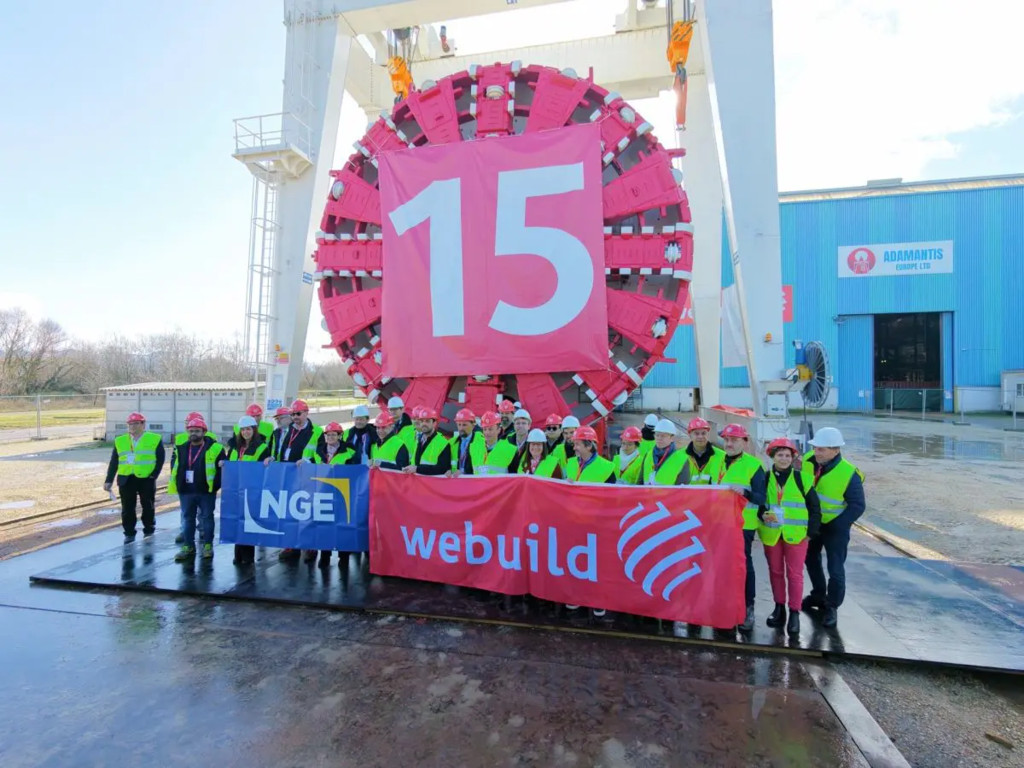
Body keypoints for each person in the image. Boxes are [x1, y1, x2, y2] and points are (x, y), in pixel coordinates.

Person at [800, 427, 865, 629]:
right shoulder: (808, 461)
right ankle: (818, 595)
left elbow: (858, 506)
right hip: (813, 524)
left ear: (836, 450)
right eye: (815, 448)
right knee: (810, 560)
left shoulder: (849, 474)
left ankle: (832, 606)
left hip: (835, 527)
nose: (816, 452)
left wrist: (838, 525)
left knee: (835, 568)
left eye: (821, 449)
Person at [759, 438, 821, 637]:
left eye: (787, 455)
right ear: (773, 457)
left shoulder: (803, 479)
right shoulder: (764, 478)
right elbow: (758, 503)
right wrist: (762, 515)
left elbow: (814, 508)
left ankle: (794, 612)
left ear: (793, 458)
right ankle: (779, 608)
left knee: (795, 575)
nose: (784, 459)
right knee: (775, 572)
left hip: (797, 536)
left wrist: (810, 533)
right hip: (772, 533)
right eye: (780, 455)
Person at [717, 423, 767, 633]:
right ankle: (725, 605)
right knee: (722, 565)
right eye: (727, 440)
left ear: (745, 442)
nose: (729, 444)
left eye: (734, 440)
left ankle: (748, 608)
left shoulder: (754, 466)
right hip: (719, 523)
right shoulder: (717, 461)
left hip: (743, 525)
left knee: (744, 566)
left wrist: (745, 493)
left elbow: (761, 498)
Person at [271, 399, 322, 562]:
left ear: (306, 413)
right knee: (289, 512)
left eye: (298, 414)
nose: (295, 417)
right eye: (293, 414)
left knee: (307, 511)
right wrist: (275, 459)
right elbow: (282, 450)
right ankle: (291, 545)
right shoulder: (289, 430)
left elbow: (321, 455)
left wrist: (308, 461)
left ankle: (310, 545)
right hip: (288, 477)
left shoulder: (316, 432)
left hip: (307, 477)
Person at [104, 412, 165, 543]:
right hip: (126, 478)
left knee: (148, 506)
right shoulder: (120, 440)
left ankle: (149, 529)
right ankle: (129, 532)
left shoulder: (154, 438)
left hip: (146, 478)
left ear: (143, 424)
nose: (133, 426)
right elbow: (114, 461)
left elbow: (160, 459)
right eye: (130, 424)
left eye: (136, 423)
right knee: (127, 508)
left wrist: (153, 475)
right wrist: (108, 480)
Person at [302, 421, 357, 566]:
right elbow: (312, 463)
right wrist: (304, 462)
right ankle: (325, 555)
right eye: (328, 435)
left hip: (342, 493)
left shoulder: (349, 450)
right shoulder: (319, 450)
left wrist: (343, 469)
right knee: (324, 525)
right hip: (323, 493)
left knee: (343, 526)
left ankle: (343, 557)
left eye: (334, 435)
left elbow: (356, 469)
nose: (330, 437)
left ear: (340, 436)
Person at [172, 416, 223, 562]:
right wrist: (179, 485)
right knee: (188, 519)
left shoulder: (215, 448)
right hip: (186, 491)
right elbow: (175, 467)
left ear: (204, 432)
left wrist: (215, 487)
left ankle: (207, 545)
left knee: (207, 518)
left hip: (206, 491)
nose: (193, 433)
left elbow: (221, 469)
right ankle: (188, 546)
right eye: (191, 431)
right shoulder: (181, 448)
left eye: (197, 431)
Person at [221, 415, 269, 565]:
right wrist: (224, 463)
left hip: (251, 490)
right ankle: (238, 555)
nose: (245, 432)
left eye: (248, 429)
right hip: (235, 490)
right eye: (243, 430)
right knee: (237, 521)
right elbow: (230, 463)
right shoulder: (235, 447)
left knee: (248, 522)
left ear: (254, 430)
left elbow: (265, 468)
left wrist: (270, 460)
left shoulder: (262, 447)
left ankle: (248, 557)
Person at [637, 419, 690, 485]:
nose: (659, 438)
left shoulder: (681, 460)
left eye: (663, 436)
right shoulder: (648, 455)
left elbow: (682, 488)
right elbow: (640, 483)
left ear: (672, 438)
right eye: (657, 435)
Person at [404, 407, 451, 475]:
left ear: (434, 423)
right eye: (422, 421)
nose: (424, 424)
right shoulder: (419, 440)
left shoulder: (443, 443)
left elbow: (442, 469)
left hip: (430, 481)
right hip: (416, 480)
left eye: (427, 421)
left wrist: (417, 469)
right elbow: (415, 462)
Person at [683, 417, 725, 485]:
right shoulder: (680, 456)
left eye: (703, 433)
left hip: (712, 492)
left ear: (708, 434)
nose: (700, 436)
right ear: (690, 435)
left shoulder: (722, 456)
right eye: (696, 433)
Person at [448, 408, 484, 477]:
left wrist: (464, 472)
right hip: (456, 480)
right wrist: (448, 470)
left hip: (474, 480)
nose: (461, 428)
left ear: (473, 425)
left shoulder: (482, 441)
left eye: (464, 425)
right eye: (459, 425)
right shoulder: (451, 443)